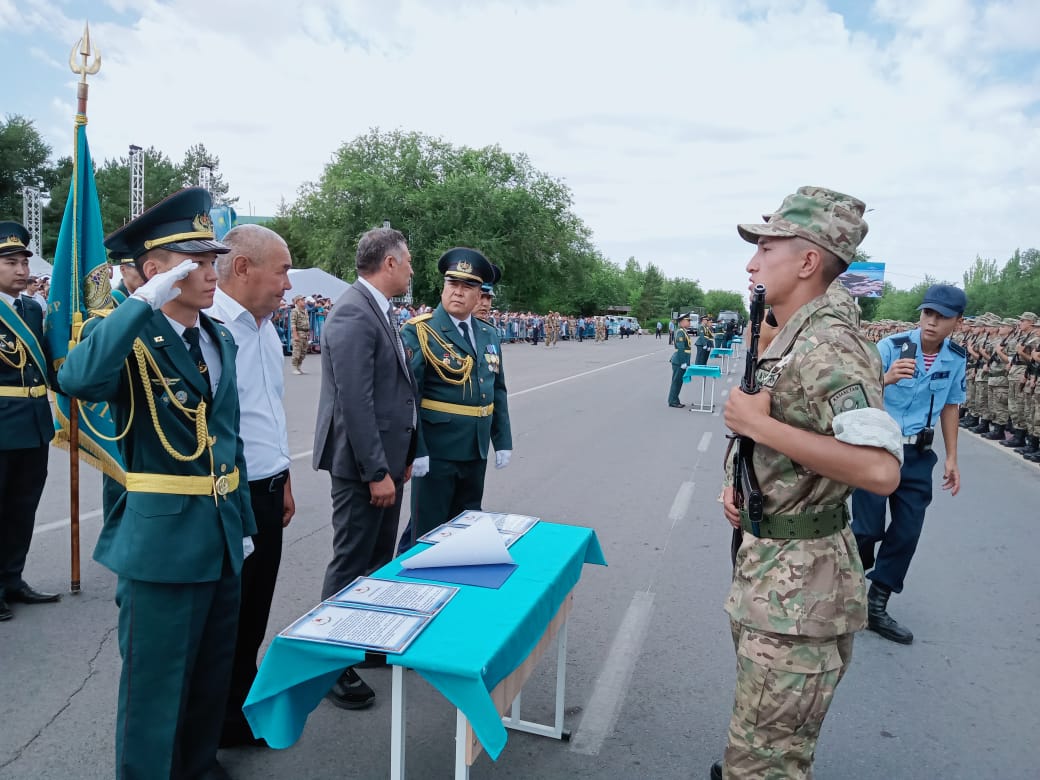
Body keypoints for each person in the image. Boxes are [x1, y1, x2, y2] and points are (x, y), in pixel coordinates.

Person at [58, 188, 256, 780]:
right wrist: (138, 305)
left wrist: (242, 522)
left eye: (211, 257)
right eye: (192, 261)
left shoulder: (216, 337)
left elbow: (229, 442)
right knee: (155, 686)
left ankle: (197, 768)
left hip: (220, 536)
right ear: (152, 273)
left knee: (207, 675)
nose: (209, 270)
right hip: (163, 546)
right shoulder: (133, 338)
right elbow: (78, 378)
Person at [712, 187, 902, 780]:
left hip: (800, 590)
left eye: (765, 248)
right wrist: (741, 483)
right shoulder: (794, 333)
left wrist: (758, 424)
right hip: (776, 572)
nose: (751, 263)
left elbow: (879, 469)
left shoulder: (830, 344)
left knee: (765, 762)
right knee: (763, 742)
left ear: (807, 260)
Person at [312, 227, 419, 709]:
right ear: (390, 263)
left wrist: (403, 457)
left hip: (385, 462)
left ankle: (365, 637)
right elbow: (356, 402)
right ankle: (331, 663)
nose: (413, 270)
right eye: (410, 261)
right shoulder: (354, 311)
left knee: (376, 560)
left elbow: (395, 391)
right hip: (361, 467)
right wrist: (377, 470)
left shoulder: (377, 308)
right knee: (352, 560)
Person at [206, 224, 296, 747]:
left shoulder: (263, 328)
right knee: (225, 616)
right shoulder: (212, 326)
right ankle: (210, 725)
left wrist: (283, 477)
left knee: (254, 610)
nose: (288, 283)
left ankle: (236, 710)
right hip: (228, 495)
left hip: (265, 489)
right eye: (282, 270)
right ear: (243, 268)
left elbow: (266, 415)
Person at [850, 284, 966, 645]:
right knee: (867, 530)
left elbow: (951, 406)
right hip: (878, 449)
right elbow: (856, 389)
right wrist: (885, 378)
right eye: (927, 313)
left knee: (907, 532)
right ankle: (848, 580)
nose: (931, 322)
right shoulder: (891, 347)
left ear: (956, 322)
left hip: (916, 456)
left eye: (941, 317)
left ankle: (876, 604)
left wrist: (951, 457)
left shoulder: (956, 358)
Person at [398, 248, 512, 551]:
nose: (459, 293)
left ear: (480, 295)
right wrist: (415, 450)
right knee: (427, 533)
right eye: (453, 284)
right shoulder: (421, 331)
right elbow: (409, 398)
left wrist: (503, 440)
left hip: (475, 449)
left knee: (466, 527)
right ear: (443, 287)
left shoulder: (487, 334)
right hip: (437, 451)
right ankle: (414, 591)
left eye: (468, 287)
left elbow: (496, 390)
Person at [0, 221, 60, 622]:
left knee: (23, 508)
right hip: (2, 427)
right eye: (11, 261)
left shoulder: (31, 309)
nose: (22, 268)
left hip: (35, 424)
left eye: (24, 260)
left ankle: (11, 578)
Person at [668, 312, 692, 408]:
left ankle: (675, 399)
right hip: (679, 360)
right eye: (688, 321)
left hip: (681, 360)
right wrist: (683, 362)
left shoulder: (683, 331)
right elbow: (681, 348)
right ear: (682, 322)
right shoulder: (680, 332)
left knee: (678, 381)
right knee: (676, 381)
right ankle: (673, 401)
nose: (689, 322)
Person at [289, 294, 310, 374]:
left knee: (303, 352)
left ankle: (299, 367)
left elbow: (307, 323)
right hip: (299, 332)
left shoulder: (305, 310)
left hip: (305, 333)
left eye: (304, 300)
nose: (304, 302)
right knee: (297, 351)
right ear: (297, 301)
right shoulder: (295, 311)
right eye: (302, 300)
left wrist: (308, 334)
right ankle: (295, 367)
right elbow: (293, 324)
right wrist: (295, 335)